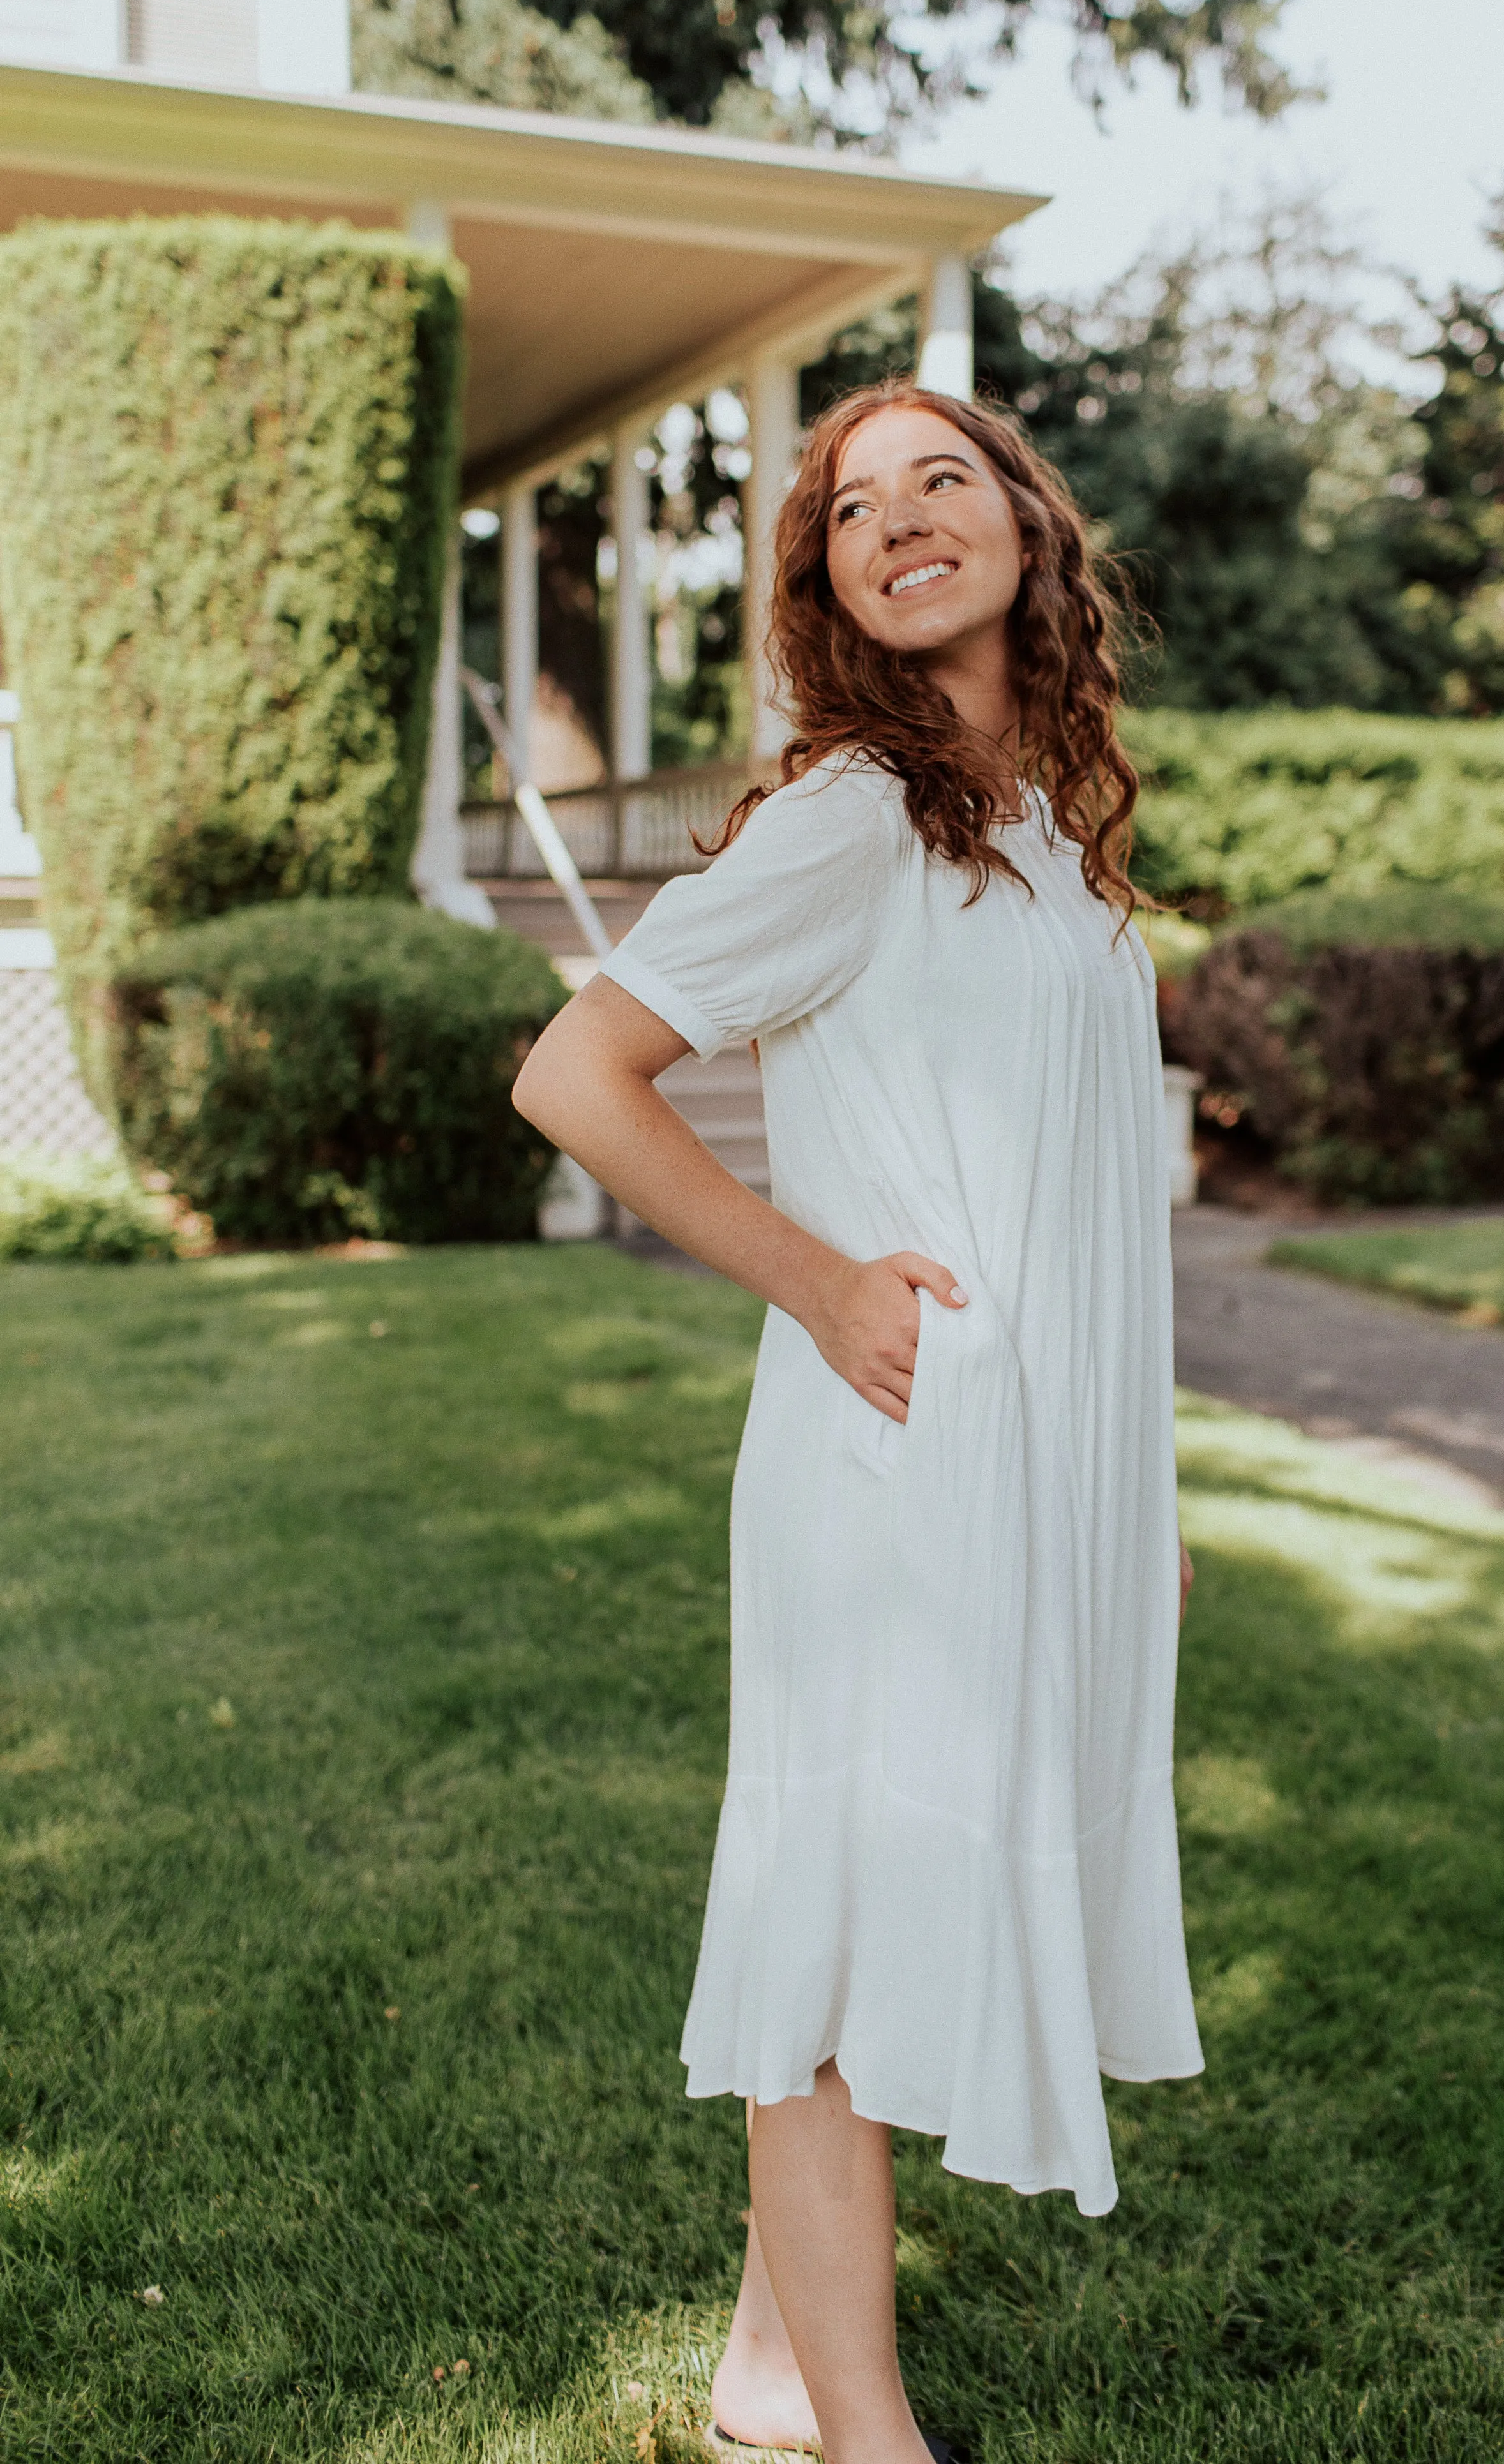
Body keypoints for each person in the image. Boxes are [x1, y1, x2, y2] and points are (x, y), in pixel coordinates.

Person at [512, 380, 1202, 2464]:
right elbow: (578, 1073)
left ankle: (759, 2370)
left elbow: (1090, 1189)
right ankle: (864, 2437)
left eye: (942, 480)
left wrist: (1132, 1481)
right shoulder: (846, 815)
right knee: (838, 1924)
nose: (902, 520)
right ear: (820, 581)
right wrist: (820, 1282)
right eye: (848, 509)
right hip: (896, 1456)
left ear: (1024, 524)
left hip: (1037, 1469)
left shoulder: (1049, 824)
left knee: (893, 1895)